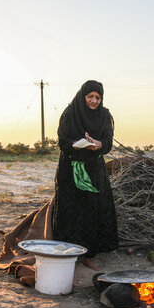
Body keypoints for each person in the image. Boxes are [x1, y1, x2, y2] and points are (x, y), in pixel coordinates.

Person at [52, 80, 118, 270]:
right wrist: (78, 143)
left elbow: (107, 142)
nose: (94, 101)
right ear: (83, 96)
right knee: (71, 208)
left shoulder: (105, 116)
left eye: (98, 97)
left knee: (93, 209)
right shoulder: (70, 113)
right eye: (90, 96)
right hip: (71, 167)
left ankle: (89, 255)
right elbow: (62, 141)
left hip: (94, 169)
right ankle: (69, 252)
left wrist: (97, 144)